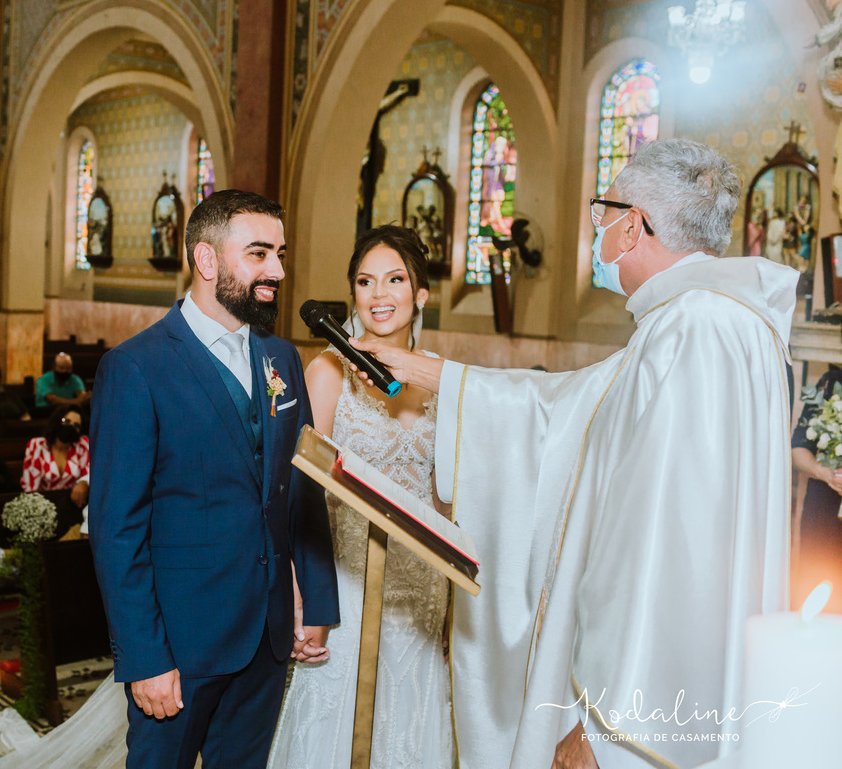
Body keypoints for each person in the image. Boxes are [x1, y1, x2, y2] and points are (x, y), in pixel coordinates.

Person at [349, 140, 795, 768]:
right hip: (691, 681)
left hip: (646, 711)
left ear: (632, 225)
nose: (597, 231)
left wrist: (605, 720)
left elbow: (665, 546)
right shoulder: (714, 321)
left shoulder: (696, 332)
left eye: (601, 213)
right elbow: (568, 407)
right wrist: (433, 375)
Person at [90, 189, 339, 768]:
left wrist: (316, 602)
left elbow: (300, 491)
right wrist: (145, 657)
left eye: (280, 253)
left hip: (267, 639)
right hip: (179, 644)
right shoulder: (136, 368)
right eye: (258, 253)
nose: (276, 269)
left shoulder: (282, 360)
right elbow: (116, 529)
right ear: (206, 261)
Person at [268, 226, 453, 768]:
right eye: (366, 281)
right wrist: (304, 594)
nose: (379, 295)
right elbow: (299, 492)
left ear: (420, 294)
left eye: (395, 280)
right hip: (346, 585)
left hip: (419, 592)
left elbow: (446, 500)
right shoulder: (328, 373)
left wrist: (452, 608)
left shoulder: (443, 379)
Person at [790, 366, 842, 615]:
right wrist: (828, 474)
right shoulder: (831, 383)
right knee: (818, 592)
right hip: (825, 511)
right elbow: (798, 451)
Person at [21, 404, 90, 537]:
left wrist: (83, 484)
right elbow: (30, 488)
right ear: (57, 421)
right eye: (66, 421)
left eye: (76, 425)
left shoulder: (82, 445)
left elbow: (86, 475)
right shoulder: (37, 445)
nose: (70, 427)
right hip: (43, 508)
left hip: (72, 506)